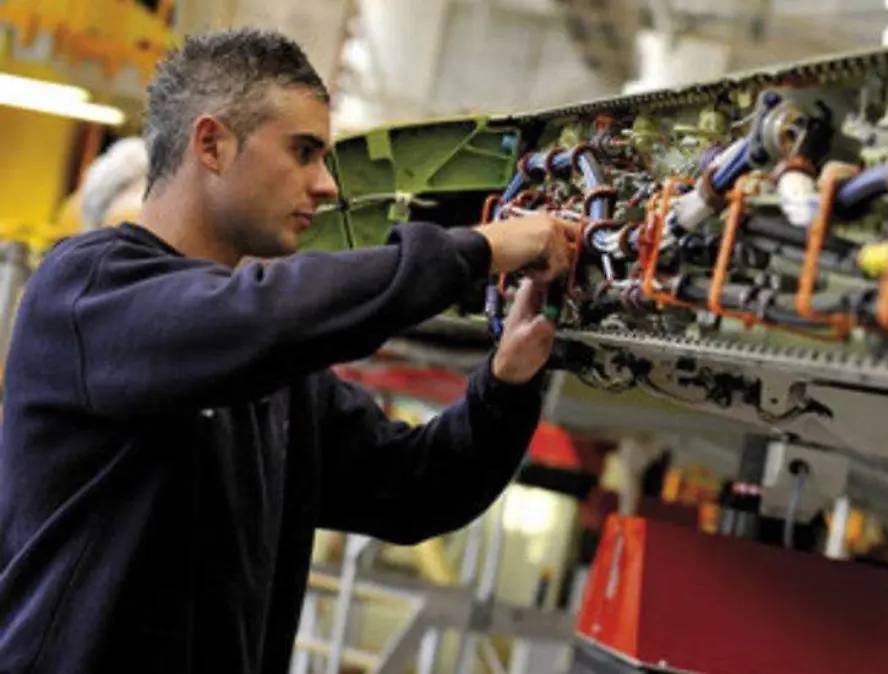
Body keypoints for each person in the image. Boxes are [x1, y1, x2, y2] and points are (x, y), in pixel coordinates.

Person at [0, 27, 575, 674]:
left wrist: (508, 382)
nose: (326, 185)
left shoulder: (274, 376)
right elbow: (256, 316)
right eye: (303, 152)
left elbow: (417, 487)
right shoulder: (86, 291)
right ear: (212, 144)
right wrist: (480, 249)